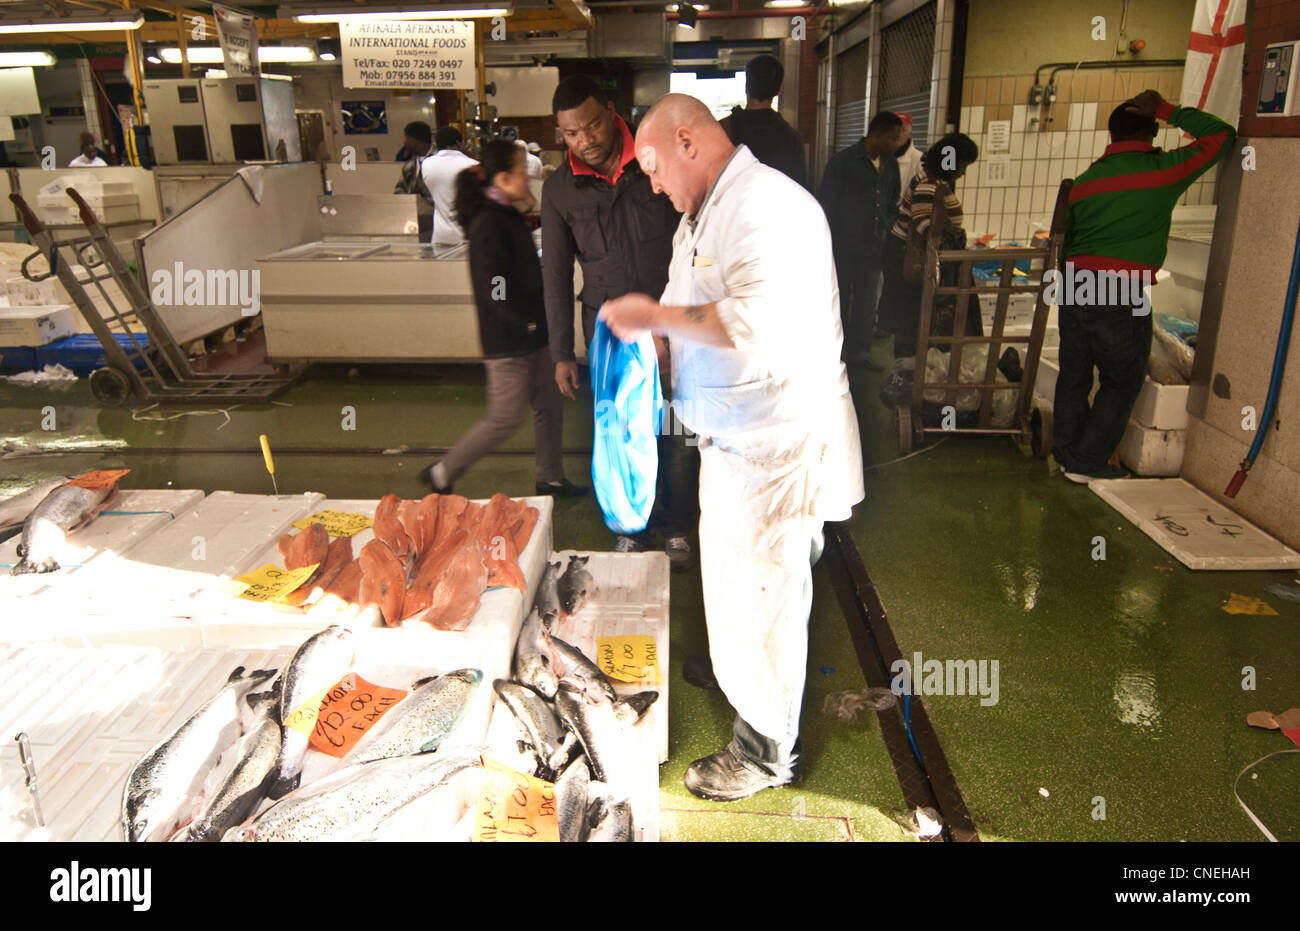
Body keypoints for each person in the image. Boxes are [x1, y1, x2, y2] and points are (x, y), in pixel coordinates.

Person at [601, 94, 864, 801]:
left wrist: (653, 315)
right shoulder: (705, 212)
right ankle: (732, 670)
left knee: (768, 593)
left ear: (688, 139)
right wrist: (654, 342)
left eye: (654, 167)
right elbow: (695, 301)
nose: (652, 186)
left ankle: (767, 749)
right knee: (731, 579)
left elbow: (757, 320)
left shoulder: (770, 207)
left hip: (776, 447)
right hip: (730, 441)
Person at [542, 75, 697, 558]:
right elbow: (554, 273)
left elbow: (694, 245)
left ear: (611, 111)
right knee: (618, 429)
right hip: (608, 333)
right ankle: (631, 526)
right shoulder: (560, 188)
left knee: (673, 427)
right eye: (571, 133)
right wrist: (561, 352)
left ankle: (675, 525)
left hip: (667, 322)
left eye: (592, 125)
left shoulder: (653, 161)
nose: (585, 140)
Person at [1052, 90, 1234, 483]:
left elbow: (1068, 243)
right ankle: (1086, 462)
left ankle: (1067, 454)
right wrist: (1168, 109)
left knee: (1075, 373)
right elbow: (1222, 136)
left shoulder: (1085, 182)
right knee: (1121, 377)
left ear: (1111, 134)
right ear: (1153, 132)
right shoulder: (1162, 170)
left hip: (1074, 282)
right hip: (1120, 288)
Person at [420, 140, 576, 498]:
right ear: (503, 177)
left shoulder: (505, 211)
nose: (527, 178)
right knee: (505, 417)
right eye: (521, 172)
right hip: (508, 341)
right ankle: (442, 472)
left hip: (534, 336)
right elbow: (496, 287)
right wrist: (526, 322)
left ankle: (549, 477)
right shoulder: (490, 222)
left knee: (549, 405)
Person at [878, 132, 979, 360]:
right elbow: (924, 224)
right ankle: (907, 372)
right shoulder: (929, 184)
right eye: (962, 165)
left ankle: (909, 371)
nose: (963, 171)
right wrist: (949, 242)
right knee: (909, 319)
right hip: (907, 259)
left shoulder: (933, 180)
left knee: (909, 319)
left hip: (904, 256)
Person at [818, 111, 904, 370]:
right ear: (877, 135)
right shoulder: (843, 162)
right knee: (839, 299)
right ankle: (836, 353)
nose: (897, 143)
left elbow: (892, 200)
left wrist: (887, 224)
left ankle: (859, 354)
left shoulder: (890, 165)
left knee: (867, 303)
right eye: (893, 138)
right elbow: (827, 204)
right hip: (842, 247)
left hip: (873, 249)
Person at [719, 53, 807, 188]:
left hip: (731, 208)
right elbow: (800, 189)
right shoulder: (792, 139)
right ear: (778, 90)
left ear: (746, 87)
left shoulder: (722, 131)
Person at [421, 126, 478, 247]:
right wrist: (471, 157)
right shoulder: (472, 165)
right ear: (459, 142)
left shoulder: (427, 164)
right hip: (466, 235)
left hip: (441, 235)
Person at [394, 121, 435, 242]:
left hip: (436, 221)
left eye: (407, 138)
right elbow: (400, 188)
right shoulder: (410, 165)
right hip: (414, 221)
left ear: (418, 140)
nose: (405, 142)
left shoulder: (438, 160)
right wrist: (406, 204)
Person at [894, 113, 924, 184]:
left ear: (910, 131)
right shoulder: (880, 156)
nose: (899, 134)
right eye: (896, 130)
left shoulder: (918, 158)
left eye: (903, 130)